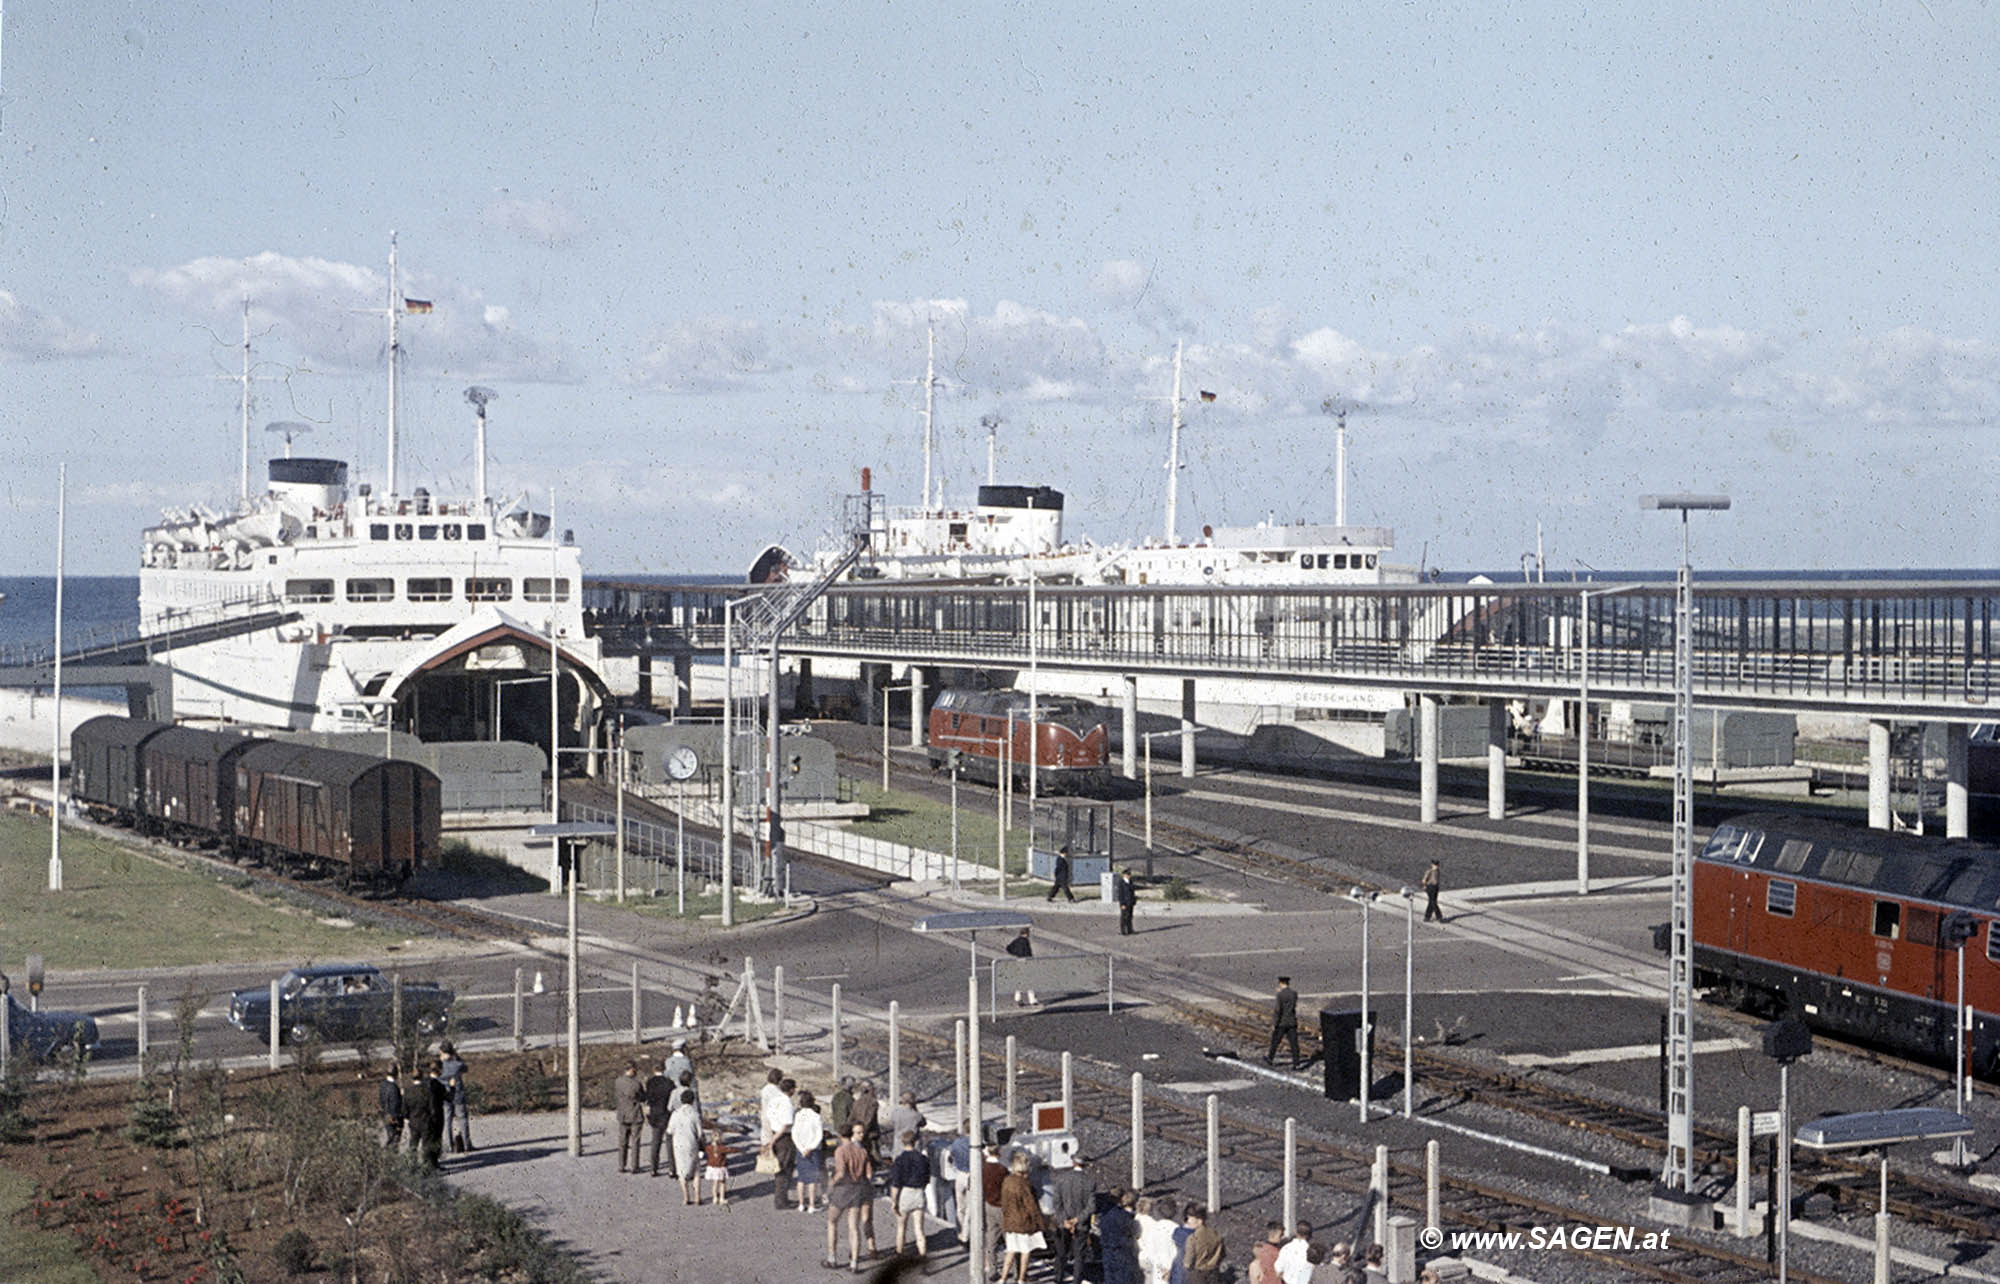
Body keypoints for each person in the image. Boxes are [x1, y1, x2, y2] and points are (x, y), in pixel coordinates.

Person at [826, 1121, 874, 1272]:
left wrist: (831, 1184)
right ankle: (854, 1262)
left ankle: (832, 1258)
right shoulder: (863, 1151)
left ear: (840, 1135)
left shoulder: (841, 1150)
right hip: (858, 1189)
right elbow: (869, 1174)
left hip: (843, 1189)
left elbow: (840, 1173)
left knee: (832, 1222)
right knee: (854, 1227)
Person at [998, 1151, 1046, 1284]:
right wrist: (1042, 1223)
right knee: (1026, 1251)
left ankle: (1002, 1279)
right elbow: (1032, 1207)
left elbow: (1004, 1202)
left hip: (1010, 1222)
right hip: (1024, 1223)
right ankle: (1021, 1279)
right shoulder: (1025, 1184)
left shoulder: (1007, 1180)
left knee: (1011, 1251)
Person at [1046, 1155, 1093, 1284]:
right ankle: (1076, 1281)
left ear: (1073, 1163)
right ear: (1085, 1165)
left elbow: (1056, 1203)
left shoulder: (1061, 1179)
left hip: (1063, 1223)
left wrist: (1064, 1220)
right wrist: (1077, 1220)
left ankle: (1058, 1278)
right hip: (1081, 1224)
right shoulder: (1090, 1181)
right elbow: (1091, 1207)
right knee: (1079, 1255)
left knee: (1061, 1253)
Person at [888, 1129, 931, 1257]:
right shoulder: (923, 1158)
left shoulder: (899, 1160)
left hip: (905, 1194)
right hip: (919, 1193)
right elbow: (927, 1178)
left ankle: (899, 1254)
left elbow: (896, 1183)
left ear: (902, 1142)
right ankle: (923, 1256)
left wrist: (894, 1201)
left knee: (901, 1227)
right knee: (919, 1229)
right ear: (916, 1141)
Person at [793, 1089, 827, 1213]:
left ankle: (801, 1204)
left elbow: (794, 1134)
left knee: (801, 1178)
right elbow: (819, 1135)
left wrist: (801, 1148)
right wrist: (810, 1147)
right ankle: (812, 1205)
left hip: (800, 1149)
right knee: (812, 1179)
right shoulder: (816, 1116)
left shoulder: (798, 1115)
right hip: (813, 1150)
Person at [1098, 1188, 1141, 1284]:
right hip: (1120, 1251)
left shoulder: (1104, 1213)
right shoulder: (1123, 1215)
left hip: (1106, 1249)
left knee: (1110, 1277)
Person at [770, 1077, 800, 1210]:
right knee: (785, 1170)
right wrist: (775, 1139)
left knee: (780, 1169)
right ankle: (781, 1201)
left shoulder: (775, 1100)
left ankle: (781, 1198)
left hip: (774, 1132)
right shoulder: (787, 1103)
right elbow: (786, 1123)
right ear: (791, 1090)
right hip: (784, 1137)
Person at [438, 1041, 473, 1153]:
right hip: (458, 1094)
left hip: (445, 1094)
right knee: (462, 1119)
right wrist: (456, 1057)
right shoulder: (457, 1064)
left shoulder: (440, 1065)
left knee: (447, 1120)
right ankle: (466, 1144)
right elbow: (465, 1068)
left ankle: (448, 1145)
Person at [643, 1057, 676, 1177]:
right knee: (669, 1143)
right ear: (664, 1069)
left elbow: (648, 1098)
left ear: (653, 1069)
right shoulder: (669, 1083)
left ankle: (653, 1168)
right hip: (667, 1114)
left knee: (655, 1142)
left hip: (655, 1115)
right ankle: (672, 1169)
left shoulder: (650, 1082)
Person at [613, 1059, 646, 1174]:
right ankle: (634, 1166)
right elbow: (643, 1097)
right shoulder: (636, 1084)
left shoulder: (618, 1081)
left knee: (622, 1141)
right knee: (635, 1141)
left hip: (622, 1114)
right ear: (631, 1070)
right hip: (635, 1114)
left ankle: (621, 1165)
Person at [1139, 1196, 1180, 1284]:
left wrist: (1158, 1264)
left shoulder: (1154, 1228)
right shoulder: (1177, 1229)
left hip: (1158, 1267)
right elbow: (1179, 1252)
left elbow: (1150, 1249)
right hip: (1173, 1269)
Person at [417, 1060, 448, 1171]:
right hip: (436, 1116)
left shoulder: (423, 1083)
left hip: (423, 1115)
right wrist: (452, 1088)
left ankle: (426, 1161)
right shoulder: (439, 1086)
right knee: (435, 1140)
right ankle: (433, 1163)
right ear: (439, 1070)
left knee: (426, 1140)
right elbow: (449, 1098)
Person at [1182, 1205, 1225, 1284]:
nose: (1187, 1221)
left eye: (1189, 1219)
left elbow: (1188, 1262)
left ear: (1199, 1221)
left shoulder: (1192, 1238)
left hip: (1198, 1275)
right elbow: (1222, 1254)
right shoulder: (1216, 1234)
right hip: (1214, 1272)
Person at [1266, 976, 1302, 1068]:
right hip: (1292, 1021)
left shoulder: (1280, 995)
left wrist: (1275, 1023)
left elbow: (1278, 1010)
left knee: (1275, 1041)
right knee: (1294, 1043)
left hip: (1282, 1022)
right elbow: (1292, 1006)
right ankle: (1296, 1063)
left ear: (1281, 983)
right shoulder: (1294, 993)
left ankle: (1270, 1059)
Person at [1006, 926, 1038, 1006]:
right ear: (1027, 933)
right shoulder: (1025, 941)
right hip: (1026, 961)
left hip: (1019, 960)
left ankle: (1018, 998)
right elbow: (1028, 952)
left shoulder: (1016, 940)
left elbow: (1008, 948)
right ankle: (1032, 1000)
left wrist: (1015, 953)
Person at [850, 1077, 881, 1157]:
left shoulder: (857, 1102)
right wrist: (863, 1132)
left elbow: (851, 1119)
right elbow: (868, 1120)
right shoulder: (872, 1102)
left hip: (858, 1134)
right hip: (869, 1136)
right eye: (872, 1089)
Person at [887, 1091, 924, 1157]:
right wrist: (915, 1109)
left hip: (898, 1146)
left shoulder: (896, 1113)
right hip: (913, 1146)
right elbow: (923, 1123)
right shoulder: (916, 1115)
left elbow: (892, 1121)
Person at [701, 1126, 730, 1206]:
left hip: (712, 1168)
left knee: (715, 1183)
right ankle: (722, 1198)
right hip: (721, 1168)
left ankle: (714, 1198)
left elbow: (705, 1154)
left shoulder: (709, 1147)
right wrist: (739, 1150)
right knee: (722, 1183)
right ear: (720, 1138)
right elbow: (730, 1150)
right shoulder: (722, 1148)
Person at [378, 1068, 404, 1149]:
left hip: (385, 1113)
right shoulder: (394, 1088)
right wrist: (398, 1120)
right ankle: (390, 1156)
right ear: (396, 1074)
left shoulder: (382, 1085)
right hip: (393, 1116)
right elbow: (395, 1104)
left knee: (389, 1136)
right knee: (395, 1139)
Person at [1115, 866, 1138, 936]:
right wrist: (1122, 904)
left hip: (1130, 902)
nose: (1129, 876)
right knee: (1124, 917)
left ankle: (1130, 929)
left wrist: (1134, 900)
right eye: (1127, 875)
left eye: (1129, 874)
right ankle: (1123, 931)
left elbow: (1132, 892)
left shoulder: (1130, 881)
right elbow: (1120, 894)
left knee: (1130, 916)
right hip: (1124, 903)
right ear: (1124, 875)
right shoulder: (1121, 883)